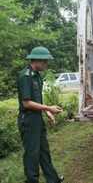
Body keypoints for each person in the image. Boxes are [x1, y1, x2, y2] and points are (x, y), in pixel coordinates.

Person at [17, 47, 64, 183]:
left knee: (44, 150)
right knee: (32, 153)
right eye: (45, 61)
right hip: (28, 119)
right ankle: (32, 180)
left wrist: (47, 112)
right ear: (37, 60)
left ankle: (52, 179)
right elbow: (26, 103)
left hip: (37, 118)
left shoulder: (37, 76)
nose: (46, 64)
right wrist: (48, 107)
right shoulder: (25, 76)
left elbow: (36, 99)